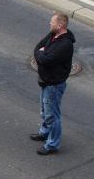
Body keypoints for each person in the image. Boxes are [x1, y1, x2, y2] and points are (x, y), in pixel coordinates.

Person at [31, 12, 75, 155]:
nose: (50, 23)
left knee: (52, 116)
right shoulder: (53, 35)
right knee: (44, 111)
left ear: (60, 25)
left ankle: (52, 145)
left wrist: (41, 54)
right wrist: (41, 53)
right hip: (46, 81)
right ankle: (45, 133)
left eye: (52, 22)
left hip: (53, 85)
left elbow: (45, 60)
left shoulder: (65, 44)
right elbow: (37, 48)